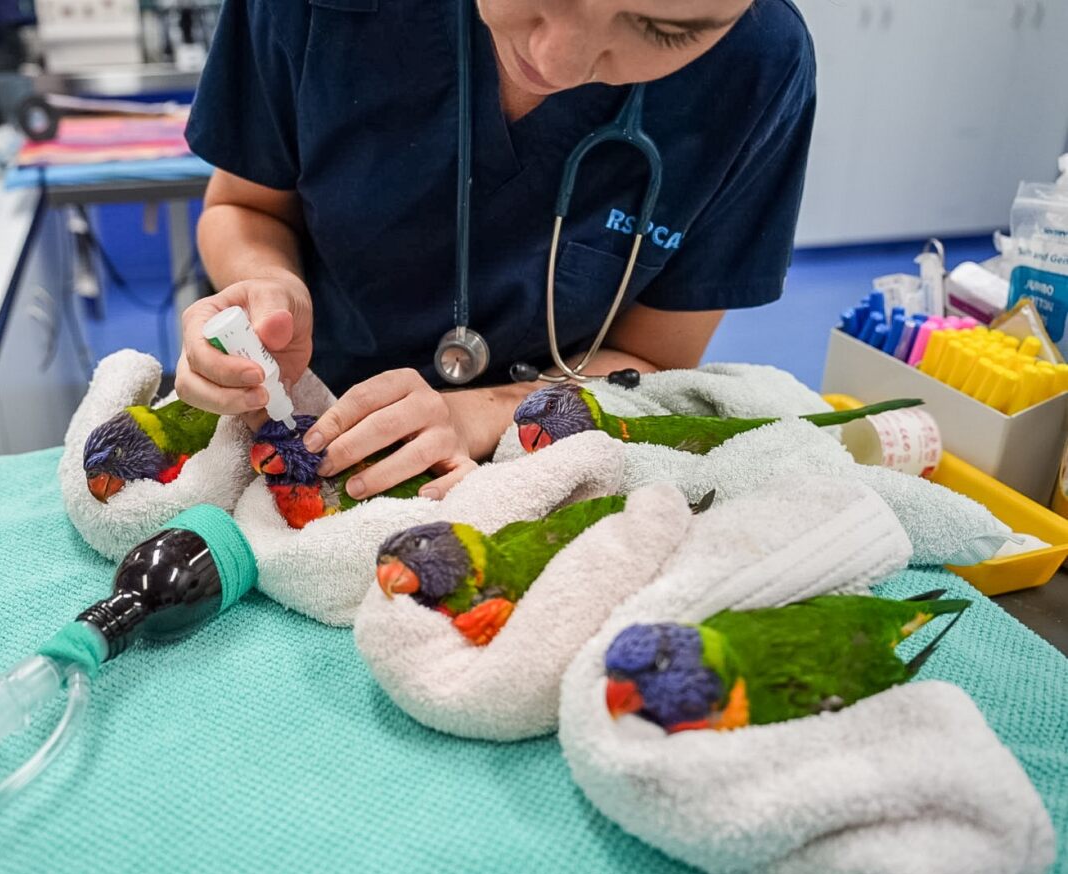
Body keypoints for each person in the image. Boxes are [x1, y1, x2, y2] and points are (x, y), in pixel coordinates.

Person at [180, 0, 814, 501]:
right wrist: (266, 286)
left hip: (544, 448)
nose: (556, 61)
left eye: (662, 30)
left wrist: (481, 415)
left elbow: (652, 360)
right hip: (313, 416)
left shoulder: (757, 66)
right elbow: (242, 207)